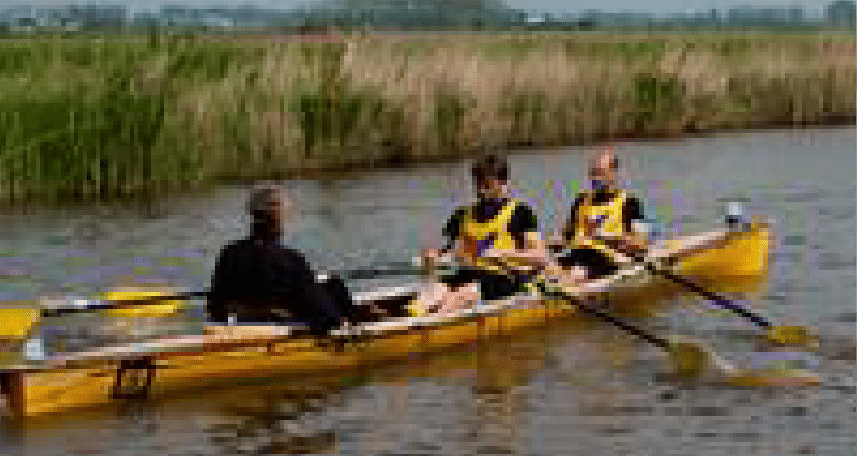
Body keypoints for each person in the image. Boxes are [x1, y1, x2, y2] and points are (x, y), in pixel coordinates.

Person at [206, 183, 384, 333]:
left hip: (240, 327)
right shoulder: (289, 259)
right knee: (334, 286)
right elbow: (325, 315)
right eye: (284, 213)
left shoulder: (228, 253)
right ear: (272, 217)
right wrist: (351, 319)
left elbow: (214, 308)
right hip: (278, 330)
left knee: (331, 286)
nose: (286, 219)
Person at [408, 152, 543, 316]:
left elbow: (539, 257)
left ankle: (431, 324)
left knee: (464, 294)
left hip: (505, 280)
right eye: (478, 184)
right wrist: (434, 256)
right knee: (435, 292)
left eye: (487, 185)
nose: (481, 190)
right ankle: (422, 316)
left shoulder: (522, 214)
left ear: (503, 184)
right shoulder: (461, 216)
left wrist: (505, 254)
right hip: (469, 276)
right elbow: (451, 252)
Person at [546, 146, 649, 281]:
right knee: (550, 269)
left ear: (613, 173)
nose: (595, 178)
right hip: (577, 257)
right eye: (593, 173)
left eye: (601, 173)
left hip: (609, 262)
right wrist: (554, 242)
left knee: (577, 273)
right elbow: (566, 237)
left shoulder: (628, 203)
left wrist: (604, 236)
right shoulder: (581, 201)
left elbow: (641, 245)